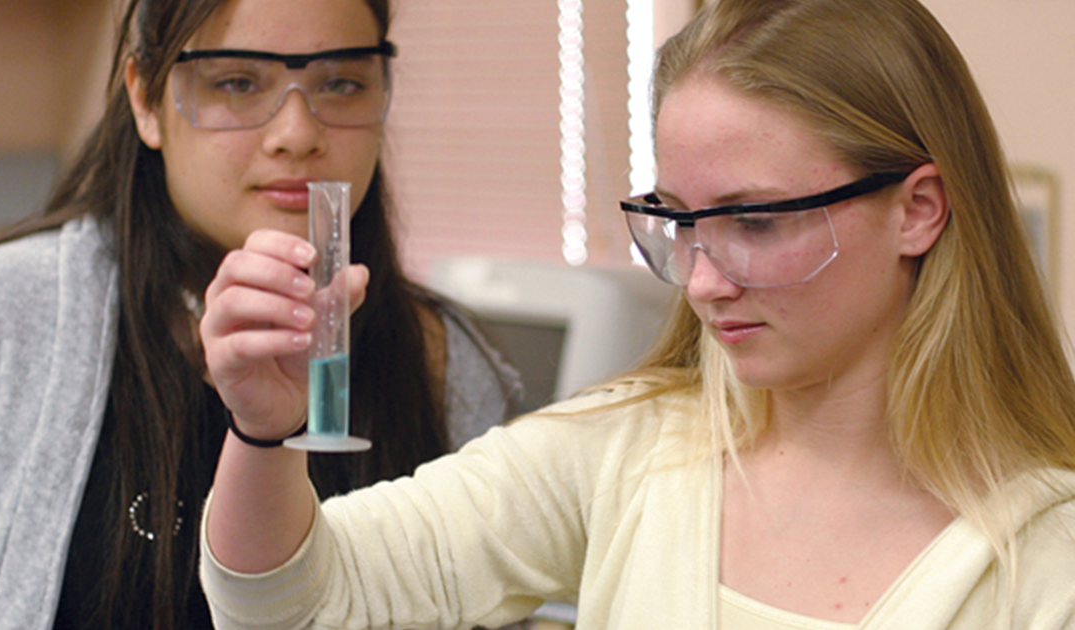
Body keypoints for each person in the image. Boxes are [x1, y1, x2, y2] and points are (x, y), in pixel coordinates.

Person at [197, 0, 1075, 627]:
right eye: (678, 222)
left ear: (918, 209)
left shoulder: (1045, 555)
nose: (699, 282)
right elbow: (296, 602)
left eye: (757, 222)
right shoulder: (625, 452)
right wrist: (264, 432)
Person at [0, 0, 521, 627]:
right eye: (238, 82)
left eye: (342, 82)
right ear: (145, 98)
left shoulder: (444, 362)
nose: (298, 134)